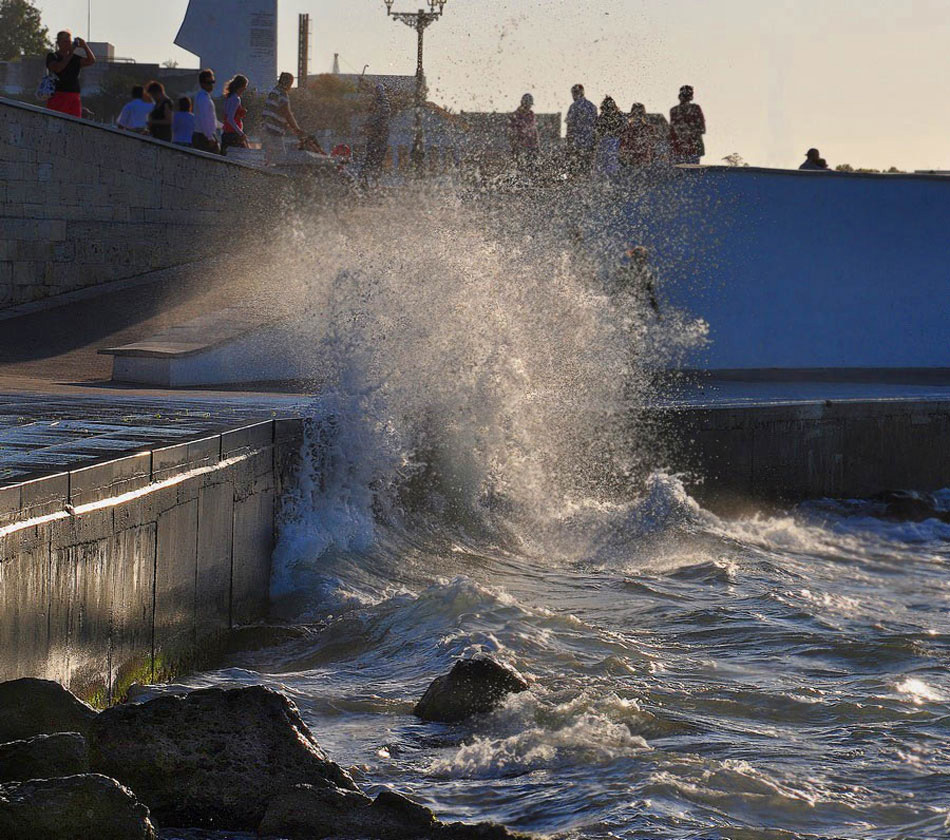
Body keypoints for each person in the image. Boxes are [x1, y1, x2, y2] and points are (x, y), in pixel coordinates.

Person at [45, 30, 96, 118]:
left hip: (74, 95)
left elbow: (91, 61)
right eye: (65, 42)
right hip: (58, 94)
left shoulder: (75, 58)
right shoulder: (53, 56)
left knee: (75, 121)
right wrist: (70, 54)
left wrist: (84, 46)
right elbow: (57, 68)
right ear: (58, 43)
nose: (68, 44)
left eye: (69, 42)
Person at [262, 72, 304, 165]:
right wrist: (297, 129)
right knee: (281, 161)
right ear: (289, 83)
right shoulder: (282, 93)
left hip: (266, 129)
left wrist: (287, 125)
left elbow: (278, 113)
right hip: (274, 131)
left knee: (267, 158)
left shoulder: (274, 91)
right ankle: (277, 179)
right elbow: (286, 113)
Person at [362, 84, 392, 184]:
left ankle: (370, 182)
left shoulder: (380, 114)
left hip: (378, 141)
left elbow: (384, 110)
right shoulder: (376, 115)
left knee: (373, 162)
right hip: (378, 141)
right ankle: (370, 182)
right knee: (373, 163)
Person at [669, 85, 706, 165]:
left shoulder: (675, 110)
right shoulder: (675, 110)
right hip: (681, 148)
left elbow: (702, 129)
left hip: (690, 148)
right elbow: (702, 128)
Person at [566, 83, 597, 175]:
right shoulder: (592, 107)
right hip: (589, 143)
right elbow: (596, 126)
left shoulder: (573, 107)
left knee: (575, 172)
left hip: (577, 144)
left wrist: (569, 144)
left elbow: (570, 127)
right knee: (587, 171)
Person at [508, 93, 540, 173]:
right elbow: (512, 132)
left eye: (530, 105)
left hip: (531, 146)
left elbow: (534, 130)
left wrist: (537, 144)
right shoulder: (516, 115)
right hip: (520, 146)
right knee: (519, 168)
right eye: (528, 105)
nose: (529, 107)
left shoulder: (531, 114)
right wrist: (515, 145)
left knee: (532, 168)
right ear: (523, 103)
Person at [595, 96, 625, 176]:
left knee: (603, 171)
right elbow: (624, 130)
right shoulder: (620, 116)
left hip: (604, 145)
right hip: (616, 145)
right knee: (614, 170)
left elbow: (597, 132)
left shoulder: (601, 118)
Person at [192, 69, 220, 154]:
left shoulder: (203, 96)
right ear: (202, 83)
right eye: (208, 82)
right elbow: (204, 119)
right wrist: (210, 137)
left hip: (204, 135)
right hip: (204, 136)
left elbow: (210, 118)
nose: (211, 85)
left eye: (212, 82)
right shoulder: (203, 98)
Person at [221, 74, 250, 155]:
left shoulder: (228, 98)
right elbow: (230, 119)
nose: (244, 90)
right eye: (245, 87)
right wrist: (241, 133)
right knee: (244, 156)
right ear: (241, 87)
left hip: (226, 133)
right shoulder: (236, 99)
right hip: (233, 135)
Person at [619, 103, 650, 168]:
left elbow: (623, 145)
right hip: (643, 162)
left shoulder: (627, 128)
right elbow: (650, 146)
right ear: (643, 114)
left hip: (630, 161)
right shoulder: (648, 128)